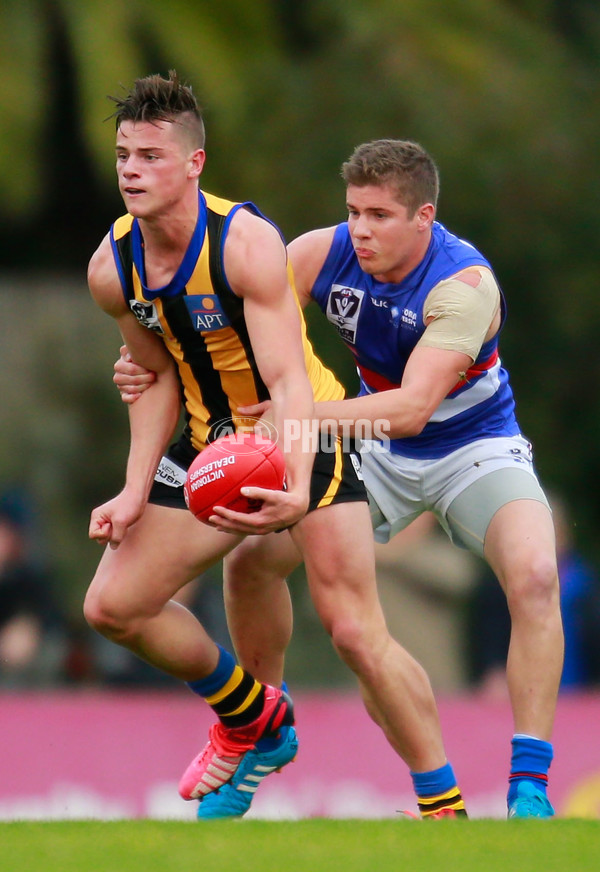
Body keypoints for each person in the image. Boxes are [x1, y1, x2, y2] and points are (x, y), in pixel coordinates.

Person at [117, 138, 563, 820]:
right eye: (354, 211)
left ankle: (528, 784)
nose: (362, 229)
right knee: (252, 561)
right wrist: (147, 365)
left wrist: (299, 417)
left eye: (381, 215)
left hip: (473, 449)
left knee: (535, 574)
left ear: (424, 218)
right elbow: (225, 323)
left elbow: (413, 411)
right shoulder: (325, 251)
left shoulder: (463, 286)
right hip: (367, 447)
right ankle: (260, 729)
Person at [87, 75, 465, 820]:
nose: (132, 169)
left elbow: (289, 382)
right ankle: (254, 718)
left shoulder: (246, 244)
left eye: (152, 156)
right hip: (206, 442)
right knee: (113, 607)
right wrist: (133, 489)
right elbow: (154, 378)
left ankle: (443, 804)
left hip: (306, 432)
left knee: (355, 630)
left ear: (194, 164)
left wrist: (293, 480)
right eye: (125, 154)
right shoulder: (112, 267)